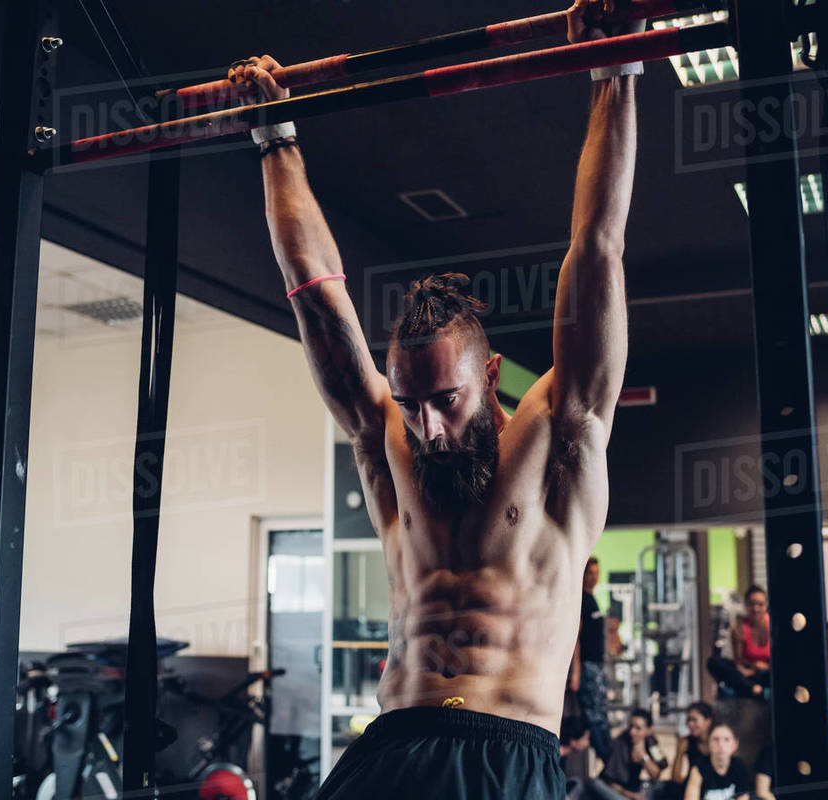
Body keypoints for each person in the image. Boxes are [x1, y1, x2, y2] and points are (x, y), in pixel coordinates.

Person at [232, 0, 642, 794]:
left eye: (444, 400)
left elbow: (597, 247)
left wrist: (613, 72)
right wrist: (274, 139)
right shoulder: (390, 441)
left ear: (489, 378)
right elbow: (313, 294)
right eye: (411, 402)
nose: (426, 425)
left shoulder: (560, 434)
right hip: (392, 744)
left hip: (504, 749)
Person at [575, 556, 613, 760]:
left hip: (597, 665)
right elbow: (576, 638)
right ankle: (606, 757)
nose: (593, 577)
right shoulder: (581, 599)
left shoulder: (593, 599)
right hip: (588, 667)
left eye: (596, 573)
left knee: (601, 713)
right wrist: (577, 671)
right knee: (594, 715)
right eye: (589, 573)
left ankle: (607, 757)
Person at [585, 709, 668, 800]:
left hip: (631, 786)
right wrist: (632, 796)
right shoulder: (619, 742)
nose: (632, 732)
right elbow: (611, 783)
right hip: (612, 789)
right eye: (630, 726)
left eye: (638, 728)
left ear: (649, 730)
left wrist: (643, 756)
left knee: (662, 786)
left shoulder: (651, 741)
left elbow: (656, 775)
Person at [707, 586, 771, 699]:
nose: (755, 609)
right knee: (714, 662)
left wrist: (764, 668)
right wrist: (753, 669)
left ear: (766, 605)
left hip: (768, 673)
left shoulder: (772, 626)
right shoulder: (739, 628)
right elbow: (739, 662)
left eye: (760, 604)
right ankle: (754, 690)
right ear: (746, 605)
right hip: (749, 675)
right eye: (752, 604)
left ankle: (752, 689)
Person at [684, 723, 751, 800]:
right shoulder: (699, 767)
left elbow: (743, 797)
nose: (721, 744)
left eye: (727, 739)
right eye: (715, 739)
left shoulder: (739, 766)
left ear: (735, 744)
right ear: (708, 743)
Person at [671, 702, 716, 784]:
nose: (690, 724)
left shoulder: (718, 741)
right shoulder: (687, 741)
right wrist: (679, 754)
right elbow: (675, 777)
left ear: (708, 721)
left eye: (694, 720)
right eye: (688, 720)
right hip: (693, 787)